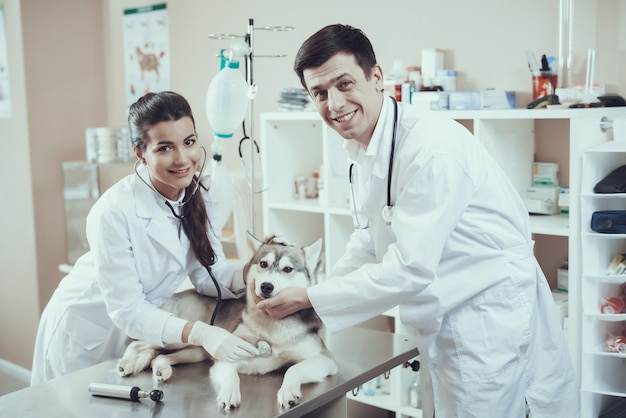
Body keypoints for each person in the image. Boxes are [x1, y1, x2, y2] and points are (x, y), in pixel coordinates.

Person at [257, 24, 580, 417]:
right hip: (442, 315)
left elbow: (409, 266)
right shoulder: (364, 146)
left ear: (376, 77)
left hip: (484, 317)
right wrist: (317, 298)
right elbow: (369, 237)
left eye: (344, 84)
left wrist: (312, 298)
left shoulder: (431, 151)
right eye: (319, 93)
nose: (334, 103)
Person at [31, 91, 259, 385]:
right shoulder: (113, 211)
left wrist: (256, 271)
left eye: (189, 142)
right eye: (165, 148)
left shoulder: (201, 194)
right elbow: (127, 309)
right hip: (84, 330)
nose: (182, 159)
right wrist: (200, 332)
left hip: (137, 330)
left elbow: (208, 273)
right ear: (140, 153)